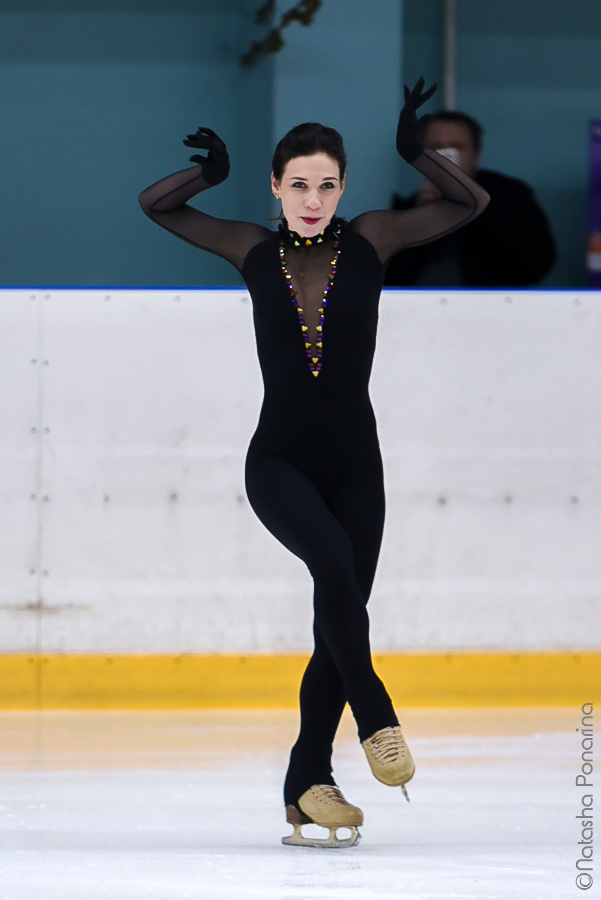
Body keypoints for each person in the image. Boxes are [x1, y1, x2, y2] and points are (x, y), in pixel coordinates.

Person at [138, 79, 489, 849]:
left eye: (326, 185)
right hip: (278, 463)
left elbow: (470, 203)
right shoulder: (249, 247)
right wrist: (206, 175)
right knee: (332, 567)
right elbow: (156, 206)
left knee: (339, 616)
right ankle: (376, 716)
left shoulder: (371, 238)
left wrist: (416, 153)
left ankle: (306, 784)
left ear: (342, 189)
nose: (312, 199)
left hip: (359, 467)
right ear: (275, 185)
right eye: (298, 184)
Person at [384, 109, 556, 287]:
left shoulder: (509, 196)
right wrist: (420, 219)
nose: (445, 156)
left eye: (456, 148)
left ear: (476, 153)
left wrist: (473, 205)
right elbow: (388, 276)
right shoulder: (410, 208)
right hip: (419, 303)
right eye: (435, 148)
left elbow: (536, 263)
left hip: (493, 302)